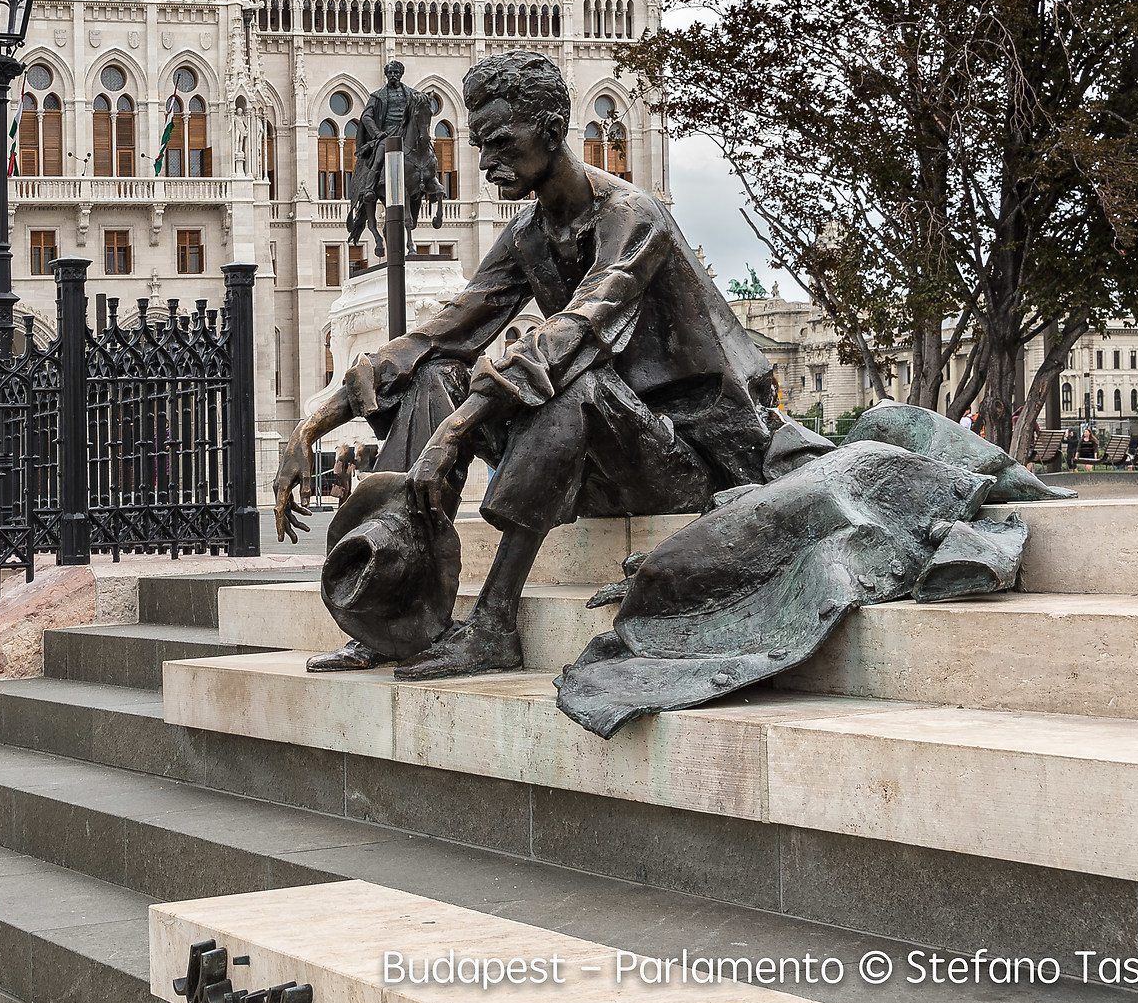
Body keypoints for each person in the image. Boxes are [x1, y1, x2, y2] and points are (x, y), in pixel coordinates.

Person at [276, 50, 776, 679]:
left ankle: (493, 624)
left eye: (501, 143)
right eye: (480, 145)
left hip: (690, 456)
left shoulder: (632, 216)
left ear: (551, 126)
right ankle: (394, 603)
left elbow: (575, 333)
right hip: (601, 459)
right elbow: (439, 334)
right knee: (434, 374)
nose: (486, 164)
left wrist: (454, 432)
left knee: (571, 380)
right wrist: (309, 428)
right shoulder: (528, 235)